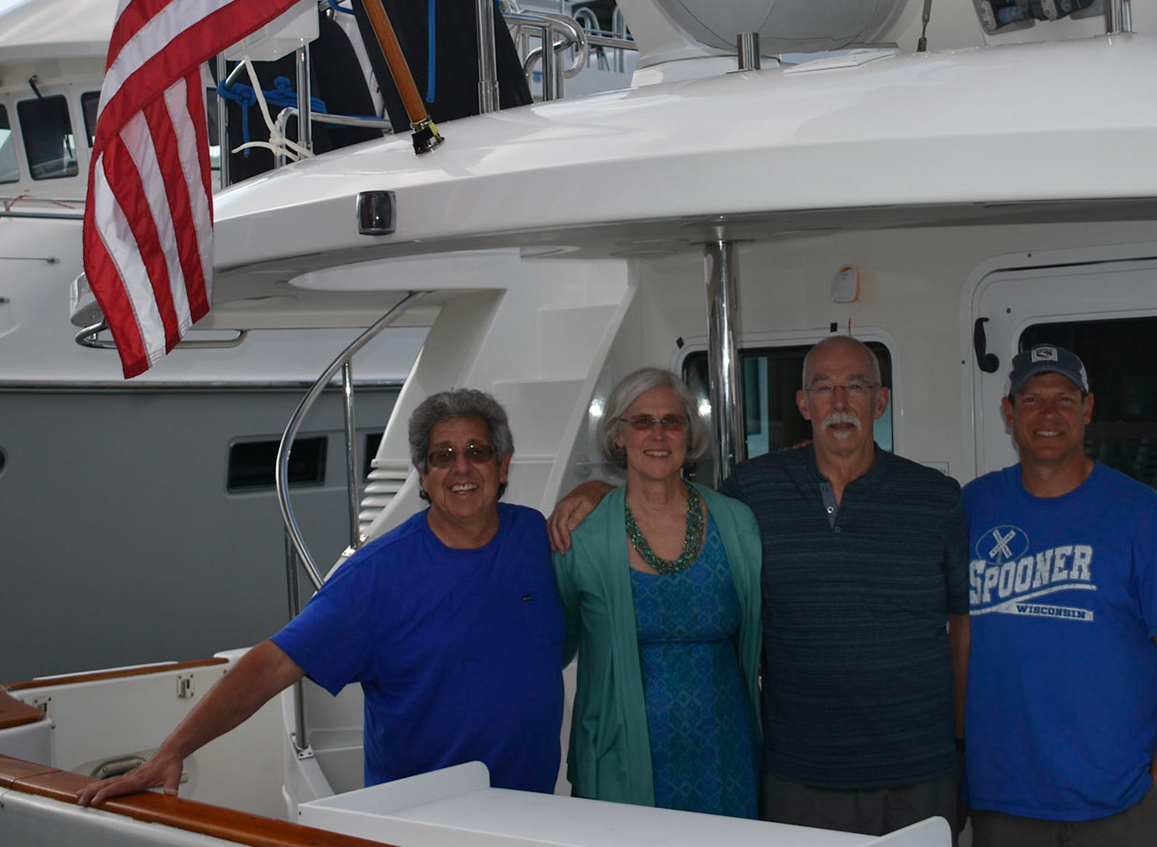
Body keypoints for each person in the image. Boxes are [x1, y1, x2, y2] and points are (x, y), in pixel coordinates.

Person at [550, 336, 969, 837]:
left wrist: (964, 742)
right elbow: (561, 633)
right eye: (823, 388)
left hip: (908, 768)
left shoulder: (934, 497)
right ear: (803, 404)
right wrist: (596, 491)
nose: (839, 402)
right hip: (796, 774)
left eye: (855, 386)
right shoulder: (756, 491)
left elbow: (964, 626)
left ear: (880, 402)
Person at [78, 388, 564, 807]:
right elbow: (272, 663)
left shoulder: (534, 535)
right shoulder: (376, 575)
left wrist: (593, 490)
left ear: (503, 466)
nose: (461, 467)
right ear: (422, 474)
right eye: (443, 455)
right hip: (419, 820)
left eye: (477, 451)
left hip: (530, 814)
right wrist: (172, 751)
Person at [962, 345, 1157, 847]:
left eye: (1064, 399)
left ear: (1088, 409)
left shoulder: (1141, 513)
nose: (1048, 414)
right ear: (1009, 412)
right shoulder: (973, 506)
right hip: (1003, 803)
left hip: (1118, 806)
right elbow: (957, 636)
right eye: (1032, 400)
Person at [554, 368, 762, 816]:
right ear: (618, 436)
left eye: (672, 421)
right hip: (620, 763)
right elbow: (558, 639)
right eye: (642, 422)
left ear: (689, 433)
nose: (658, 434)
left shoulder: (737, 523)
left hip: (727, 756)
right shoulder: (583, 536)